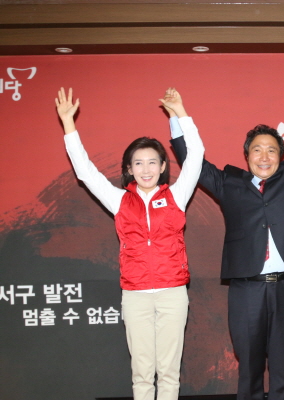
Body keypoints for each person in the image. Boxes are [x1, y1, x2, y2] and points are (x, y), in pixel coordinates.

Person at [167, 82, 284, 400]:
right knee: (249, 367)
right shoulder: (229, 183)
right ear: (247, 154)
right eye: (257, 149)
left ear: (281, 156)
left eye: (271, 150)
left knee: (283, 367)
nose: (264, 156)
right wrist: (177, 114)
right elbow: (190, 159)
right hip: (246, 289)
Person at [56, 87, 204, 400]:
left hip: (172, 292)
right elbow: (85, 171)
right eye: (138, 163)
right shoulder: (119, 200)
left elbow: (196, 156)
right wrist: (68, 124)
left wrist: (181, 112)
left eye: (152, 162)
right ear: (129, 169)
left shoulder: (177, 195)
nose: (146, 169)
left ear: (162, 166)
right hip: (135, 295)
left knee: (169, 372)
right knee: (142, 372)